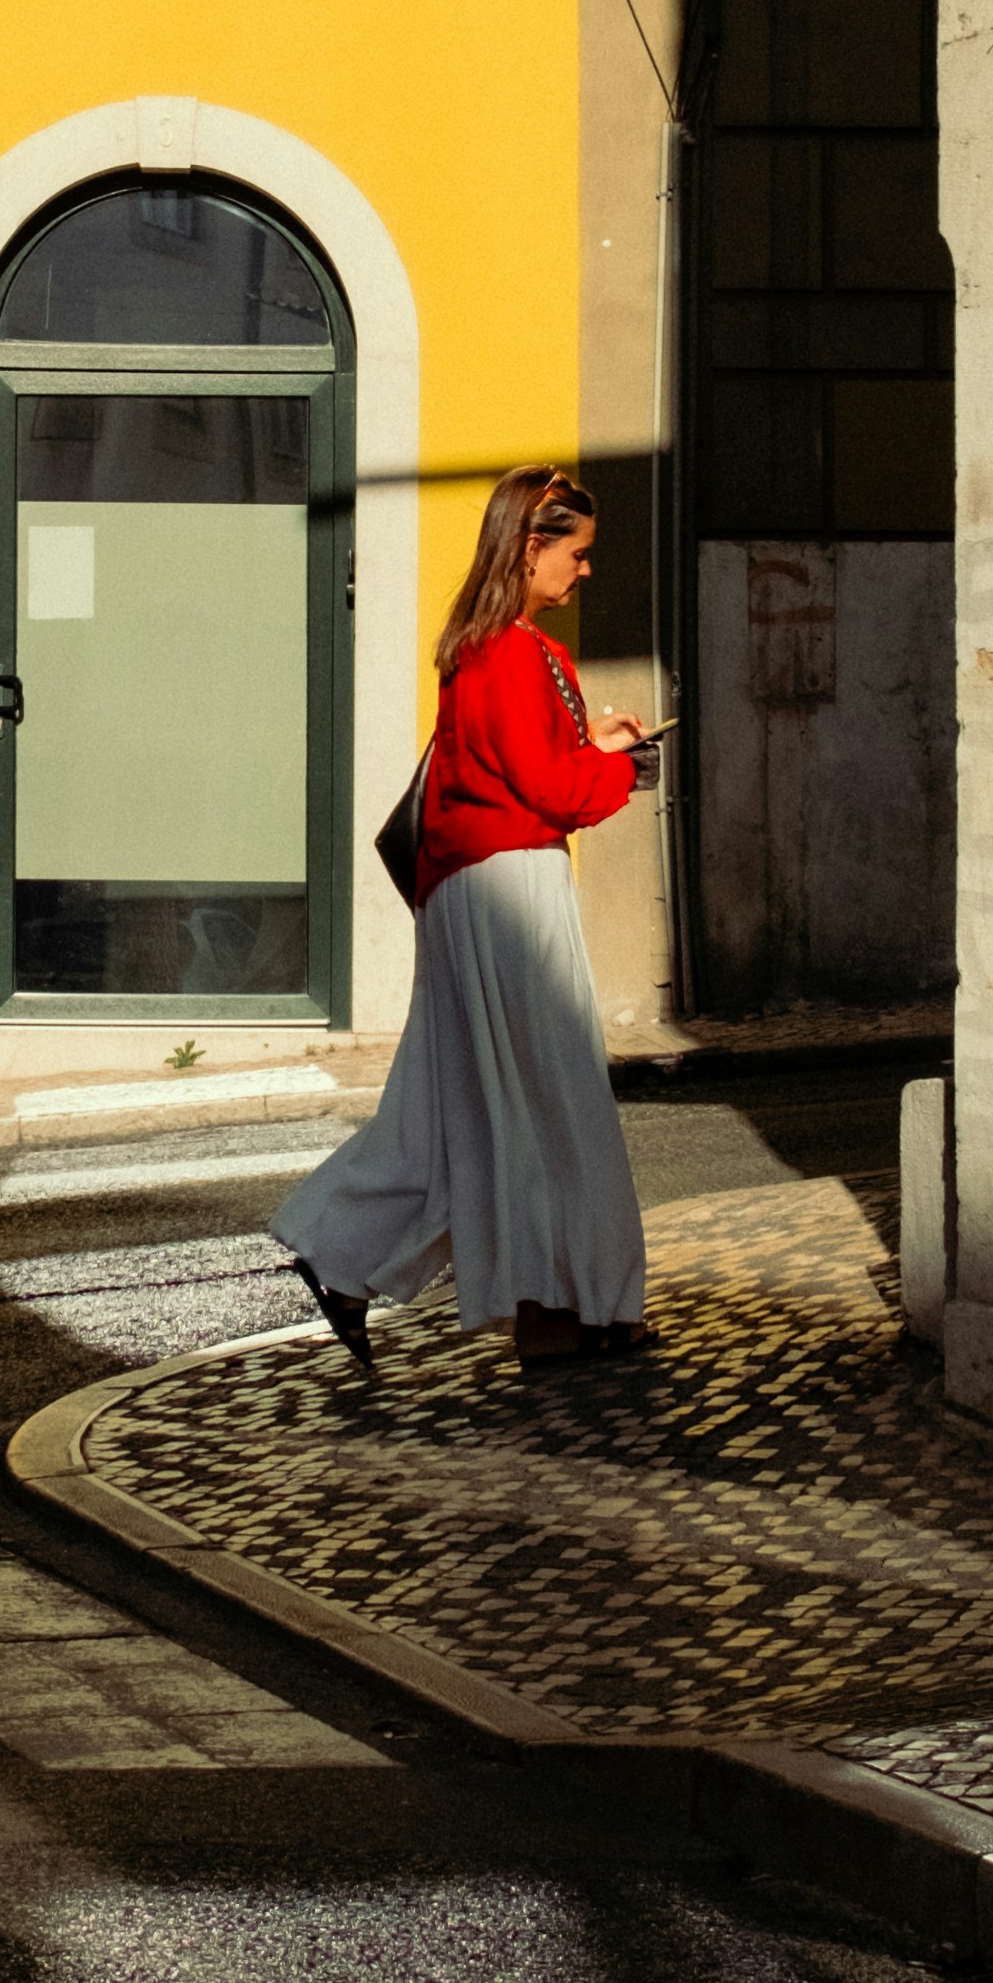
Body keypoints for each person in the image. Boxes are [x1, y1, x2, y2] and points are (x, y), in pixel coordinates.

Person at [272, 464, 654, 1373]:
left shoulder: (500, 651)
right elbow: (552, 788)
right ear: (529, 548)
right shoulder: (508, 655)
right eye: (577, 552)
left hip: (480, 887)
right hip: (507, 891)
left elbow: (526, 766)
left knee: (468, 1111)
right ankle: (576, 1307)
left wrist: (595, 748)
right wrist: (623, 766)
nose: (585, 570)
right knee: (550, 1103)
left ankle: (386, 1264)